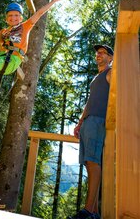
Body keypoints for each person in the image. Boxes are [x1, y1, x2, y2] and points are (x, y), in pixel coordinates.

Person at [68, 44, 114, 219]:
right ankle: (93, 212)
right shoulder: (97, 77)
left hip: (99, 121)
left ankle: (87, 211)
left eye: (103, 53)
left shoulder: (110, 73)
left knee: (94, 163)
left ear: (111, 58)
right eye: (97, 53)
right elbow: (89, 102)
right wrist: (80, 122)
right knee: (89, 163)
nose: (98, 55)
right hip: (89, 122)